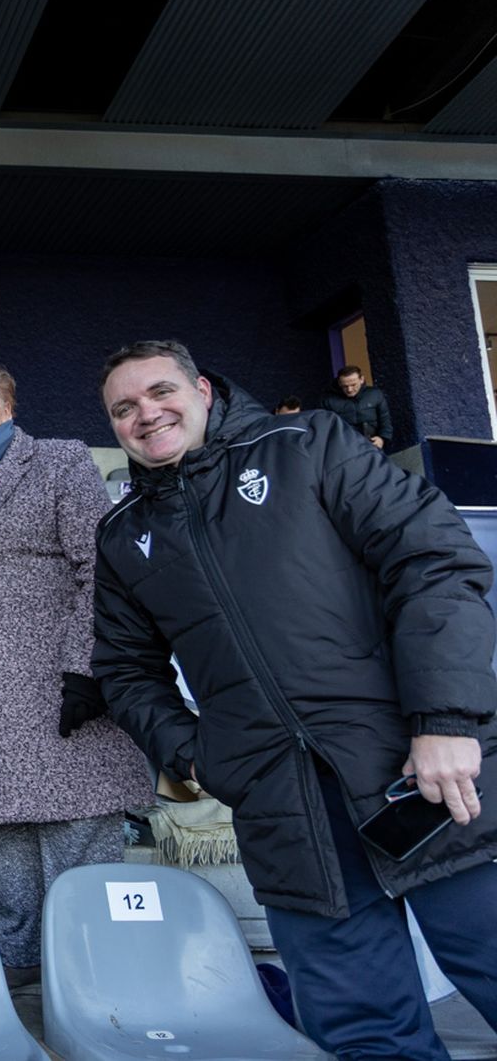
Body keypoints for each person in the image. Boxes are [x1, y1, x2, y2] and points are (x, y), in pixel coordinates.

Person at [94, 339, 497, 1059]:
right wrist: (200, 754)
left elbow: (435, 561)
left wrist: (445, 719)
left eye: (160, 393)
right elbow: (124, 668)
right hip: (285, 814)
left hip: (425, 775)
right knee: (367, 1031)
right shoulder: (125, 535)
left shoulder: (306, 443)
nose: (145, 415)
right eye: (124, 409)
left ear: (204, 390)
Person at [0, 354, 153, 988]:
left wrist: (86, 671)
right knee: (2, 854)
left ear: (8, 407)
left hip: (57, 692)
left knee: (77, 862)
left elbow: (100, 570)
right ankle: (19, 974)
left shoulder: (59, 463)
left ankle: (93, 984)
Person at [320, 365, 392, 449]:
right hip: (344, 448)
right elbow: (324, 428)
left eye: (353, 385)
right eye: (345, 386)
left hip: (372, 444)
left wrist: (382, 438)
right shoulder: (328, 400)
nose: (349, 389)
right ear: (339, 383)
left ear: (361, 380)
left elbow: (385, 420)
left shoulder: (375, 394)